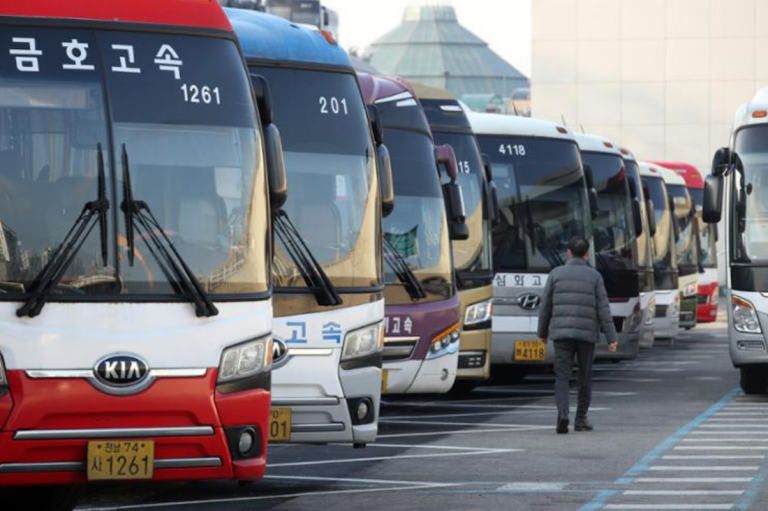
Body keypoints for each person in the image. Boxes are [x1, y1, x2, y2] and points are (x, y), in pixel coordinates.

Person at [537, 236, 618, 434]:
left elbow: (545, 306)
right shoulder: (595, 276)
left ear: (569, 253)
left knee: (562, 376)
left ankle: (562, 413)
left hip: (561, 333)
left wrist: (542, 333)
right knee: (585, 376)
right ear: (587, 254)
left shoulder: (555, 274)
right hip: (587, 335)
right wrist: (611, 337)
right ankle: (581, 419)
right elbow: (603, 308)